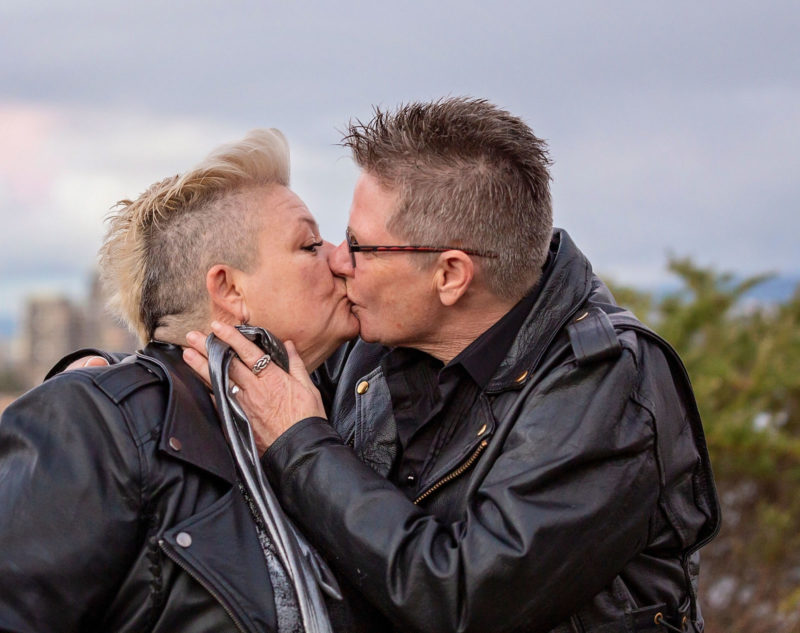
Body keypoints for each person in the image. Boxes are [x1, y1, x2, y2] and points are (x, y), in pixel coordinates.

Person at [185, 98, 721, 633]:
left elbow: (465, 598)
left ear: (450, 276)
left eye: (359, 245)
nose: (339, 261)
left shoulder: (608, 383)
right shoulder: (380, 337)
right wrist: (110, 389)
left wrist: (301, 444)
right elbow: (249, 379)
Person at [0, 129, 360, 633]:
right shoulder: (95, 424)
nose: (341, 258)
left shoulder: (338, 414)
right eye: (310, 245)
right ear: (229, 289)